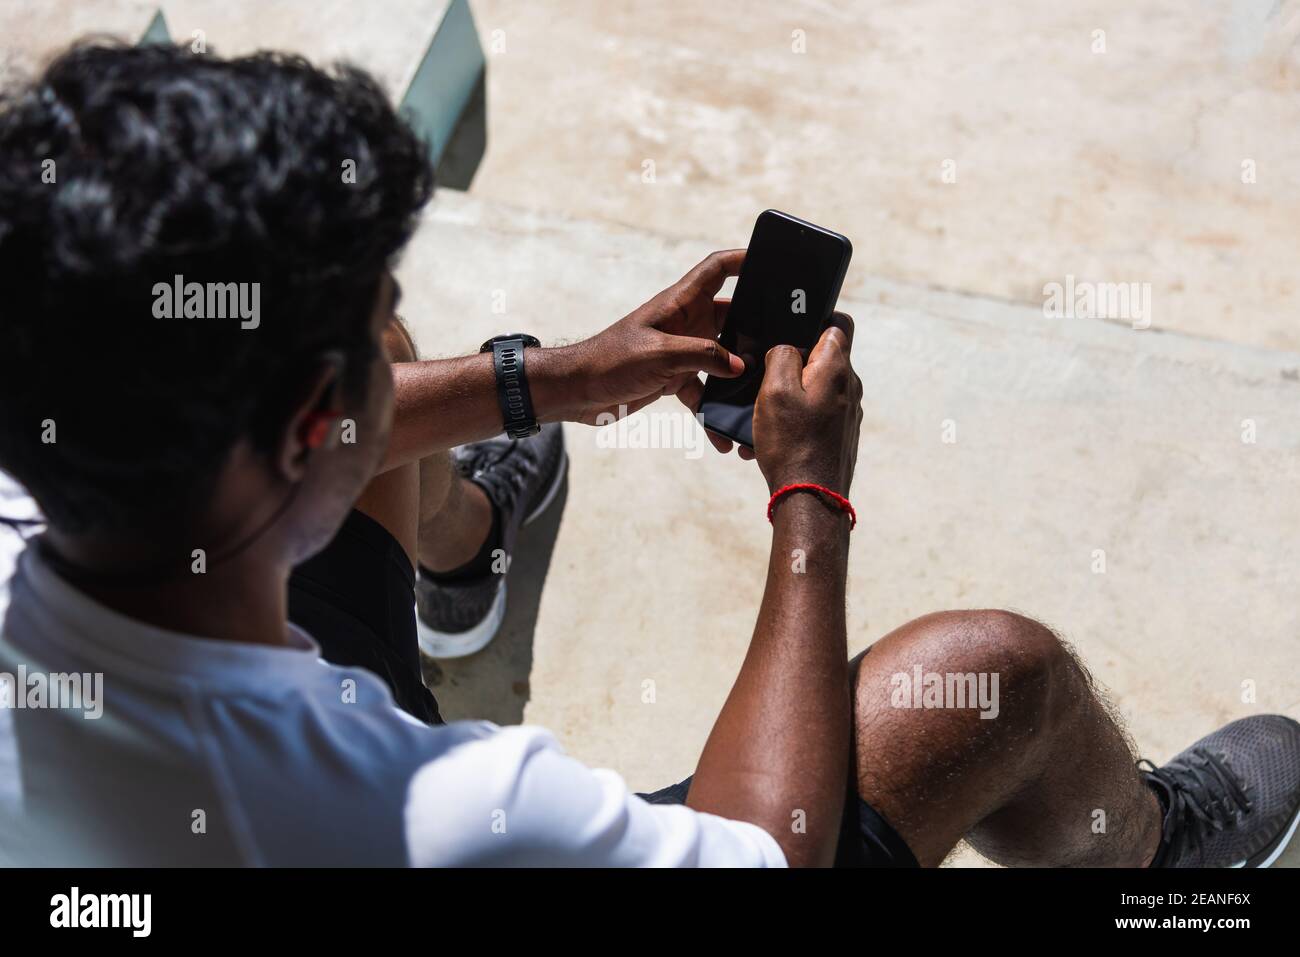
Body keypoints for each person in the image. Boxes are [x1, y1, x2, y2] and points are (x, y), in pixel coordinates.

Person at [0, 42, 1296, 868]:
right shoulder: (423, 814)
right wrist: (808, 497)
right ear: (304, 434)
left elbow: (323, 396)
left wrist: (557, 378)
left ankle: (473, 567)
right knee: (992, 676)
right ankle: (1149, 857)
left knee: (365, 336)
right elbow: (762, 856)